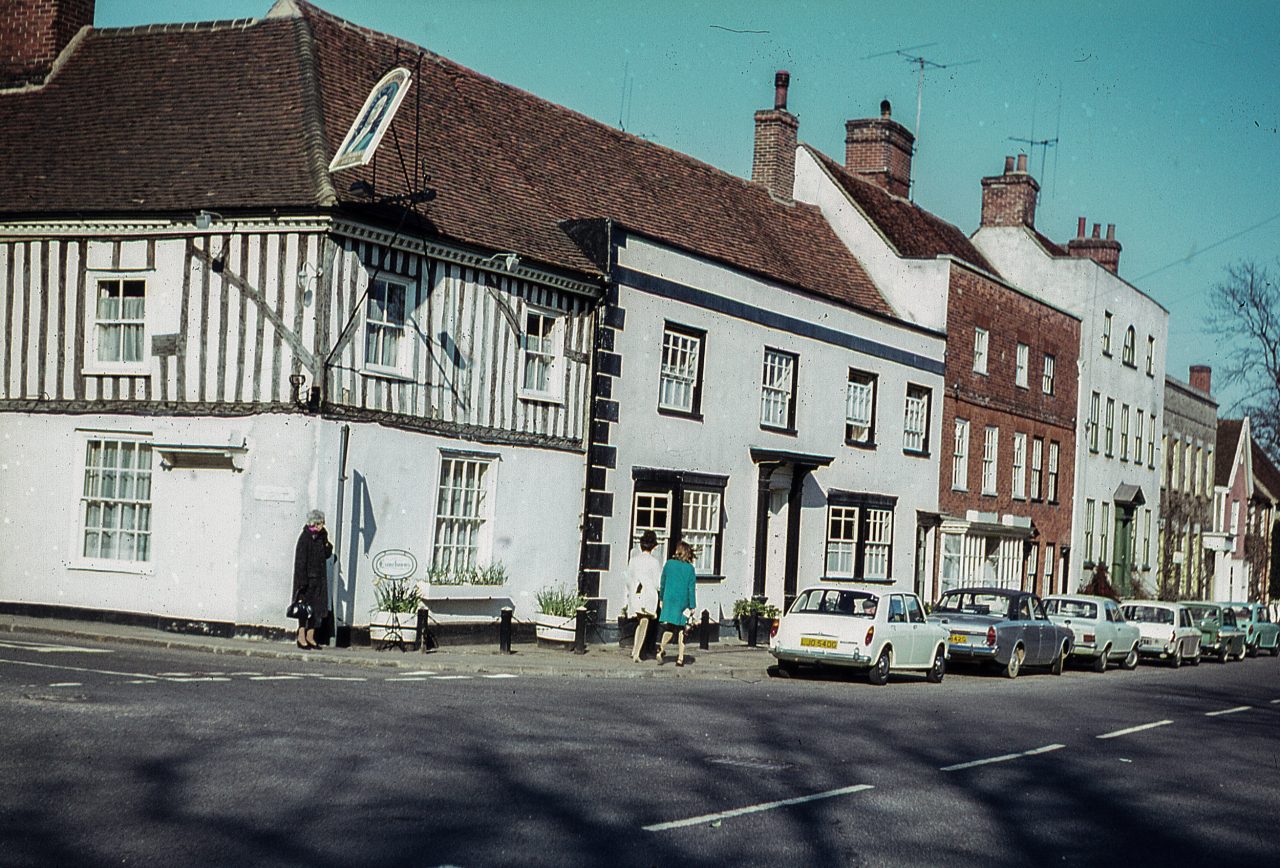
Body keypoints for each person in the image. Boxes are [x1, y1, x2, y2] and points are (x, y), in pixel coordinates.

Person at [292, 509, 332, 650]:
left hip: (319, 580)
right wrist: (302, 582)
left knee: (316, 610)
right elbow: (300, 562)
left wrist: (327, 543)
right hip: (307, 580)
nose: (322, 525)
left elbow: (327, 555)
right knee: (304, 610)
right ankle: (301, 636)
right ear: (313, 523)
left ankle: (311, 636)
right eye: (320, 523)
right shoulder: (305, 538)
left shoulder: (321, 537)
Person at [655, 541, 697, 667]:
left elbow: (662, 583)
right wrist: (692, 606)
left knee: (669, 627)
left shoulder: (668, 564)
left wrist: (661, 599)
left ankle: (661, 648)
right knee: (681, 630)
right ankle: (680, 658)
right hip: (682, 602)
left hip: (669, 599)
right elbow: (691, 588)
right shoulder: (690, 569)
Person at [624, 531, 661, 663]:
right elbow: (657, 583)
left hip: (636, 594)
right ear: (653, 546)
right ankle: (637, 654)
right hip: (648, 596)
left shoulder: (633, 560)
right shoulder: (654, 562)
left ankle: (635, 650)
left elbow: (628, 579)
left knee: (640, 623)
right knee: (644, 623)